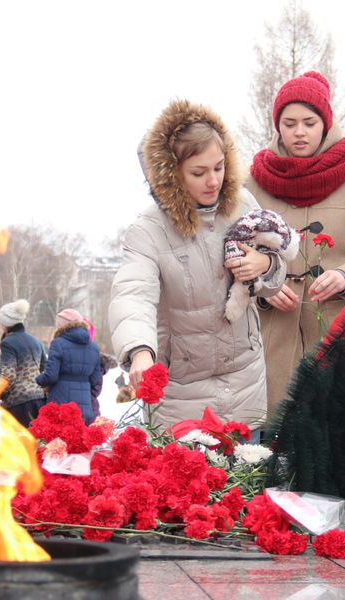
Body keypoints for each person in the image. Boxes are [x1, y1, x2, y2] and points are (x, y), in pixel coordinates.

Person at [110, 99, 287, 434]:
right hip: (182, 394)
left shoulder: (243, 205)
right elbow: (132, 294)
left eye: (219, 167)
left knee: (248, 468)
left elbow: (276, 272)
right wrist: (140, 351)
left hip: (245, 380)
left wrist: (264, 264)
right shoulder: (148, 230)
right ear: (171, 174)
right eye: (198, 172)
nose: (213, 181)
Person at [245, 71, 345, 416]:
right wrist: (263, 286)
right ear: (277, 126)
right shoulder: (253, 183)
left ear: (325, 124)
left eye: (309, 122)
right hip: (271, 342)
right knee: (273, 434)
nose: (299, 132)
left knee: (335, 432)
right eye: (289, 123)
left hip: (339, 336)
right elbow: (232, 257)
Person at [36, 308, 101, 425]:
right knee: (78, 435)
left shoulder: (58, 343)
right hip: (84, 404)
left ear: (61, 326)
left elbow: (51, 375)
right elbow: (95, 379)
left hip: (60, 401)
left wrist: (39, 379)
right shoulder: (94, 347)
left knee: (57, 435)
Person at [0, 299, 47, 428]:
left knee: (16, 439)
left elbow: (8, 375)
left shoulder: (8, 343)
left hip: (18, 403)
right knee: (35, 438)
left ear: (6, 323)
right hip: (39, 400)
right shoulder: (36, 341)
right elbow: (44, 369)